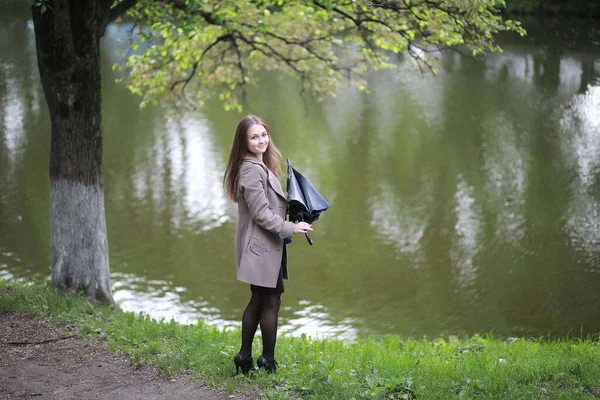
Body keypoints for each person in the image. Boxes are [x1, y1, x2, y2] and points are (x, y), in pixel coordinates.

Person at [223, 115, 312, 374]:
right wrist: (291, 228)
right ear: (244, 141)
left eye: (264, 135)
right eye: (254, 137)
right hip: (261, 249)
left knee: (260, 300)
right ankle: (267, 360)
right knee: (270, 302)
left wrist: (295, 210)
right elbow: (261, 214)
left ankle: (244, 357)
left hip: (265, 246)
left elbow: (270, 206)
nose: (261, 140)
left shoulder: (259, 164)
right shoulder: (250, 169)